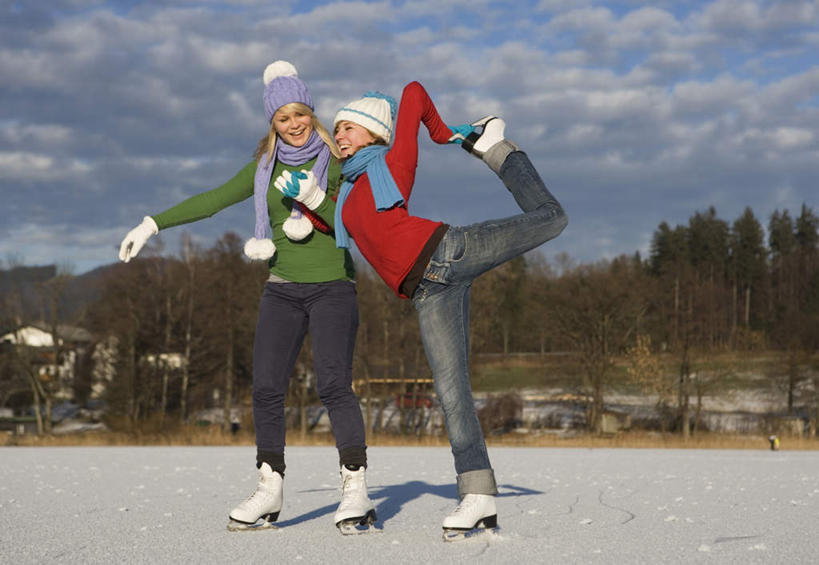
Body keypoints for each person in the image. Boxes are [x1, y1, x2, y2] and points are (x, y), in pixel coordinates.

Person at [279, 81, 567, 538]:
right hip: (428, 293)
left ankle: (496, 148)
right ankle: (478, 495)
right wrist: (306, 201)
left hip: (449, 251)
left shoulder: (392, 164)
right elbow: (342, 222)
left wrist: (439, 133)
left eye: (349, 126)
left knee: (552, 218)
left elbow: (412, 92)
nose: (341, 135)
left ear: (374, 132)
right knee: (452, 393)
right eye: (337, 129)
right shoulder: (350, 194)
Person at [117, 61, 375, 533]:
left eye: (300, 114)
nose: (294, 124)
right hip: (281, 289)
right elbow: (212, 199)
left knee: (334, 385)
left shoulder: (340, 162)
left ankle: (355, 489)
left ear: (311, 114)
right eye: (283, 117)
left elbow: (359, 225)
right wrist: (152, 223)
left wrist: (319, 198)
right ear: (272, 123)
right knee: (266, 389)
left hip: (334, 286)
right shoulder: (264, 168)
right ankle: (270, 489)